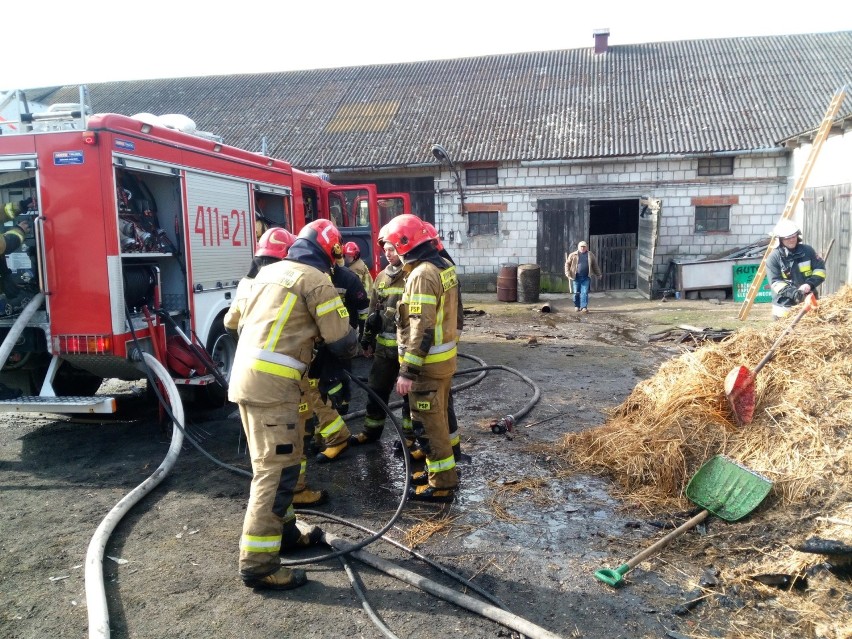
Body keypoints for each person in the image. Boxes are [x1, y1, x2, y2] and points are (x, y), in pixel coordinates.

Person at [228, 219, 358, 591]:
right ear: (329, 253)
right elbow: (342, 341)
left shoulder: (264, 276)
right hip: (275, 388)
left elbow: (231, 321)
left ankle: (284, 534)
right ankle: (259, 565)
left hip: (249, 382)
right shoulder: (315, 279)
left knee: (277, 466)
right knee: (276, 474)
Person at [224, 227, 327, 507]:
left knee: (270, 457)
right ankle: (291, 498)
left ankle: (287, 514)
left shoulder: (251, 281)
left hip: (248, 377)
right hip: (282, 379)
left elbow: (230, 323)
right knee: (283, 456)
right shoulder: (296, 279)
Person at [384, 214, 460, 503]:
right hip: (443, 362)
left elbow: (421, 327)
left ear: (405, 242)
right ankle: (438, 473)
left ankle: (441, 483)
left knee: (429, 424)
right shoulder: (444, 267)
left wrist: (407, 372)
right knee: (439, 417)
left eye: (394, 243)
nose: (391, 249)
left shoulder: (421, 275)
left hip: (426, 366)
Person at [348, 238, 411, 447]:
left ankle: (410, 438)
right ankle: (371, 431)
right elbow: (374, 309)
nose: (388, 254)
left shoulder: (411, 275)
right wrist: (367, 339)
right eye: (385, 250)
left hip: (406, 350)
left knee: (409, 397)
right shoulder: (382, 277)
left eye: (392, 249)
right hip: (384, 349)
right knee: (376, 390)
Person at [308, 261, 369, 463]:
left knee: (333, 383)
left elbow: (362, 308)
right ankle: (322, 432)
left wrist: (362, 337)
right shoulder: (310, 278)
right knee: (318, 388)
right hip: (319, 343)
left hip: (342, 339)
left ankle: (340, 409)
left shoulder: (348, 278)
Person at [765, 219, 826, 319]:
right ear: (780, 240)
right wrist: (795, 293)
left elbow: (820, 270)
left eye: (794, 236)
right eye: (788, 238)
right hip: (784, 307)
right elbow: (776, 282)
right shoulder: (774, 258)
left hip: (810, 301)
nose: (792, 240)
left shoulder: (808, 251)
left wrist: (809, 284)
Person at [564, 240, 602, 313]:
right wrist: (567, 273)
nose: (582, 248)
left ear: (586, 247)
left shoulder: (590, 255)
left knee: (584, 292)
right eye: (581, 247)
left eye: (584, 247)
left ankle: (584, 307)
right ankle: (577, 306)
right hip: (576, 277)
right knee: (576, 293)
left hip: (586, 277)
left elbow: (594, 265)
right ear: (578, 247)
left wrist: (598, 274)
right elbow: (567, 264)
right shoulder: (573, 255)